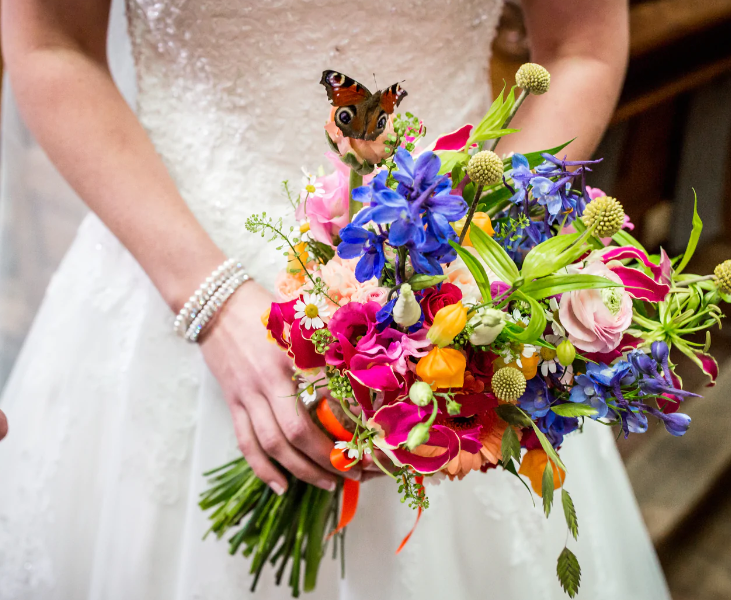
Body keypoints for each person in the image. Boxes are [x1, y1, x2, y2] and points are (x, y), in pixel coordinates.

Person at [0, 0, 671, 599]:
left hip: (446, 259)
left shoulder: (460, 271)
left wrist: (473, 258)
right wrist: (210, 300)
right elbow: (51, 42)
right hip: (167, 261)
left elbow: (579, 47)